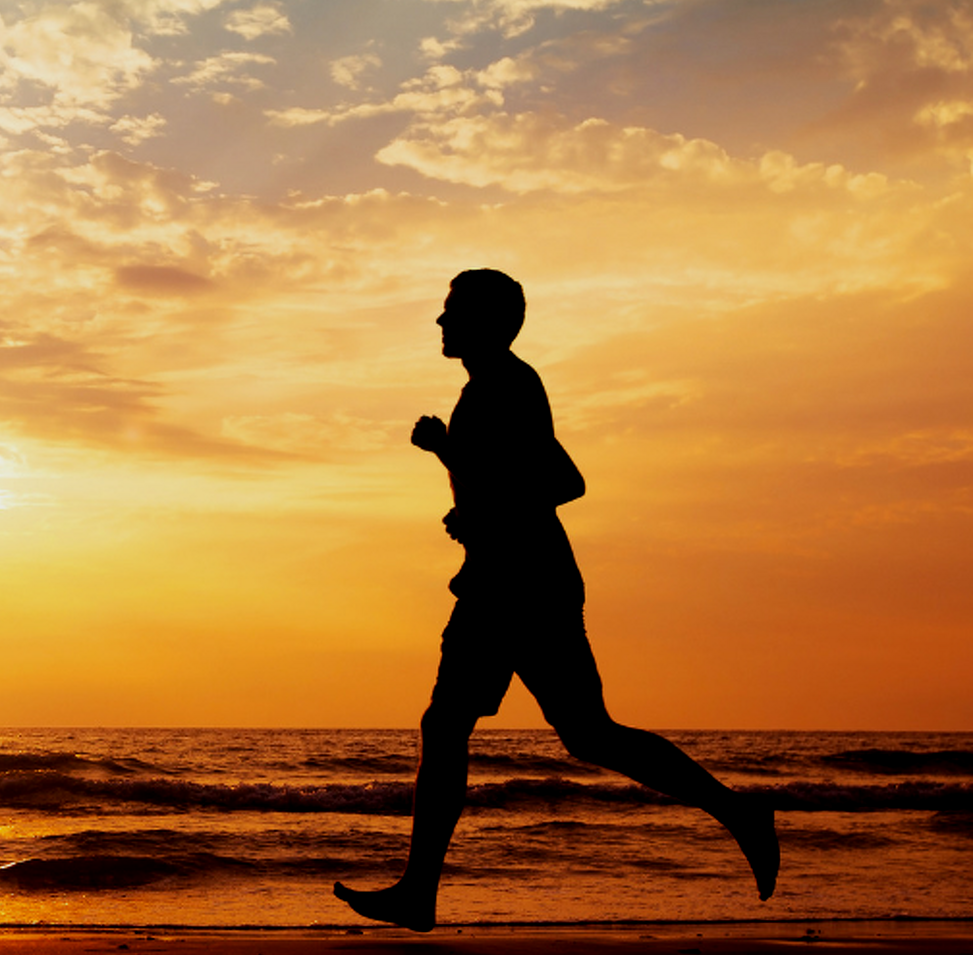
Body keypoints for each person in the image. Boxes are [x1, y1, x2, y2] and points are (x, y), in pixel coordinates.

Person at [332, 268, 779, 932]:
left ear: (490, 321)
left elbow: (563, 482)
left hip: (522, 585)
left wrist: (460, 472)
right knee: (557, 731)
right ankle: (419, 891)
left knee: (490, 727)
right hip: (506, 578)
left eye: (452, 312)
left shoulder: (510, 386)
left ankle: (420, 892)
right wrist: (460, 486)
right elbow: (506, 482)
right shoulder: (487, 389)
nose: (440, 322)